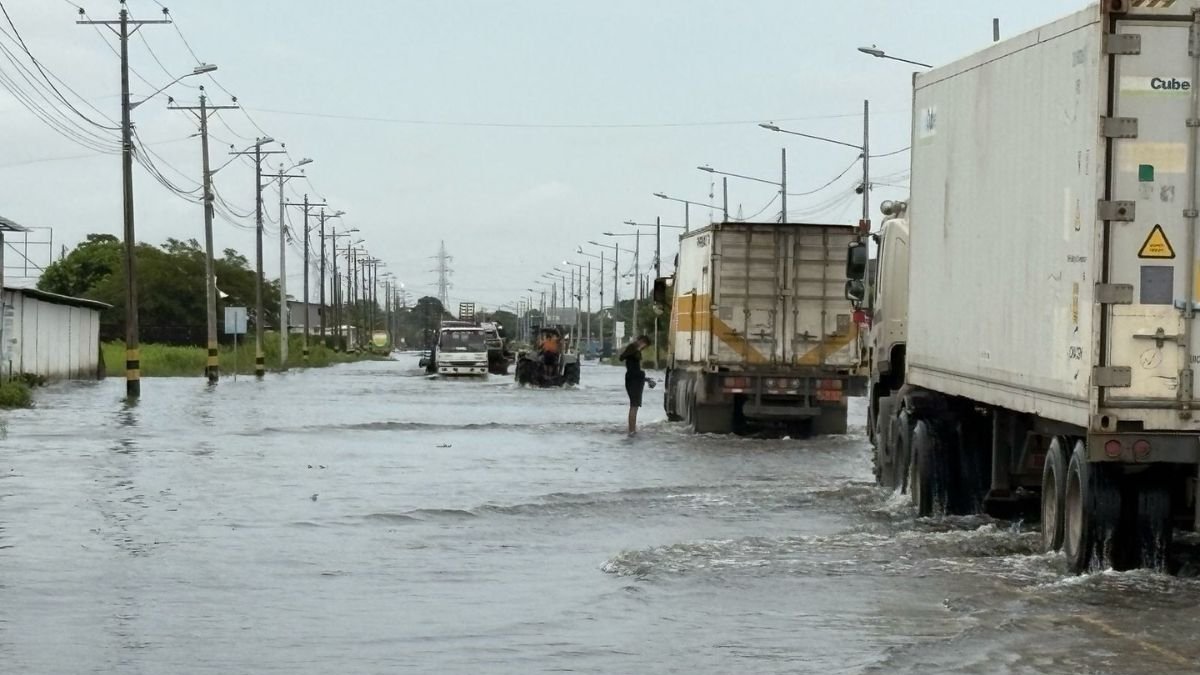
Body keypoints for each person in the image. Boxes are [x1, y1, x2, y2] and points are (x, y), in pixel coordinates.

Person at [619, 335, 654, 435]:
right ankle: (632, 430)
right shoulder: (633, 350)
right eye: (644, 346)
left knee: (634, 405)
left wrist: (646, 379)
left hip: (633, 378)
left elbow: (624, 359)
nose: (643, 348)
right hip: (634, 380)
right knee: (634, 405)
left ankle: (632, 429)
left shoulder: (632, 350)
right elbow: (625, 359)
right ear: (642, 342)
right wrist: (637, 348)